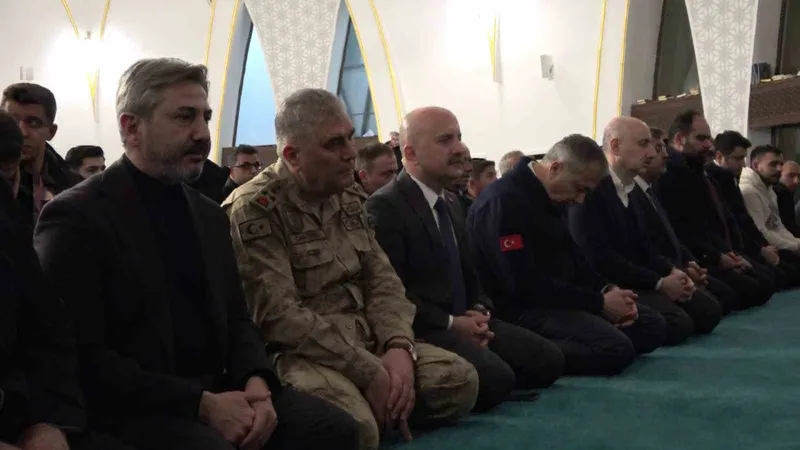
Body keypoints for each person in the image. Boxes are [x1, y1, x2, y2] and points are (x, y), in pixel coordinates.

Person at [34, 58, 359, 450]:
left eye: (205, 117)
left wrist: (256, 382)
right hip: (138, 406)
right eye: (184, 117)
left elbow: (238, 318)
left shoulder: (207, 214)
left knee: (333, 429)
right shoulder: (76, 217)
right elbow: (81, 355)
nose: (202, 134)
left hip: (221, 387)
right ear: (131, 127)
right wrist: (200, 405)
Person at [224, 89, 479, 450]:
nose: (350, 153)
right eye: (334, 144)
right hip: (304, 353)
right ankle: (381, 408)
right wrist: (367, 370)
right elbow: (279, 317)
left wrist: (398, 346)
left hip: (368, 339)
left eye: (349, 137)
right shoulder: (256, 208)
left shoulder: (348, 196)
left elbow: (383, 282)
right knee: (355, 429)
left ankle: (386, 403)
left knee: (460, 380)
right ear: (293, 155)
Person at [365, 107, 564, 412]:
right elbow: (393, 295)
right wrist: (451, 323)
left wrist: (480, 310)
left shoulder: (450, 201)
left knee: (549, 361)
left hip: (466, 318)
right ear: (411, 153)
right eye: (445, 140)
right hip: (426, 327)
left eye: (459, 137)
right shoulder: (385, 206)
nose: (460, 148)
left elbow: (471, 272)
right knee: (497, 379)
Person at [467, 134, 666, 376]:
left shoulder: (552, 195)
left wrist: (608, 290)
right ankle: (529, 352)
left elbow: (575, 258)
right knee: (616, 348)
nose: (580, 199)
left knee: (652, 325)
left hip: (562, 297)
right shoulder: (503, 201)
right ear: (555, 168)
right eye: (580, 189)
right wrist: (599, 303)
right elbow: (522, 285)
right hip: (523, 308)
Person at [568, 117, 721, 345]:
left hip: (637, 277)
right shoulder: (592, 189)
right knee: (675, 324)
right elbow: (599, 258)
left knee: (707, 310)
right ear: (615, 147)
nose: (651, 152)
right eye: (643, 144)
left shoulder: (631, 188)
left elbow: (645, 246)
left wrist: (672, 271)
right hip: (612, 284)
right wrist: (658, 283)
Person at [654, 110, 773, 309]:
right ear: (679, 139)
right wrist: (717, 257)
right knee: (741, 293)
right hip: (695, 259)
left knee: (765, 282)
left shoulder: (695, 173)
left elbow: (711, 224)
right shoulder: (670, 176)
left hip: (707, 254)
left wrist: (727, 253)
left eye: (708, 139)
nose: (708, 145)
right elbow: (681, 232)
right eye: (701, 138)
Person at [634, 127, 740, 315]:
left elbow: (674, 236)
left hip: (679, 265)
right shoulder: (638, 192)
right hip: (655, 274)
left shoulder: (650, 190)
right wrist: (674, 272)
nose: (665, 155)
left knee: (727, 297)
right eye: (657, 148)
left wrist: (689, 263)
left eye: (662, 148)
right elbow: (647, 247)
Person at [707, 132, 799, 288]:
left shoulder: (738, 182)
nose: (743, 164)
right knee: (773, 279)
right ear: (719, 156)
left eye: (743, 158)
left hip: (751, 248)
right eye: (738, 158)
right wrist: (762, 250)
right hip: (729, 253)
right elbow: (738, 228)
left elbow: (772, 225)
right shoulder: (742, 187)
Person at [1, 83, 79, 225]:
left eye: (33, 123)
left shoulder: (73, 185)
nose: (21, 132)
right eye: (12, 121)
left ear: (51, 132)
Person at [739, 146, 800, 268]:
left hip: (776, 246)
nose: (779, 169)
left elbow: (777, 226)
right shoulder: (748, 190)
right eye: (773, 164)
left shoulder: (769, 189)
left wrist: (797, 243)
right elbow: (762, 232)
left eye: (781, 164)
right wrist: (795, 246)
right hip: (761, 250)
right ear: (756, 165)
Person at [776, 160, 800, 237]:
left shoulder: (789, 193)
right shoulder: (781, 194)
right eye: (791, 175)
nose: (796, 181)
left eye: (799, 176)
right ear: (779, 175)